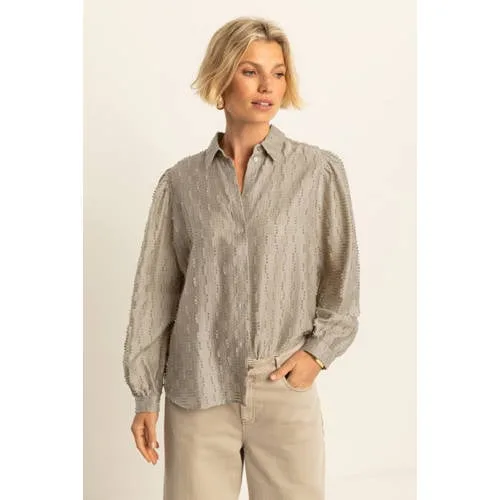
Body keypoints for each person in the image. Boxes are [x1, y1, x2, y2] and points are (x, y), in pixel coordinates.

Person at [122, 16, 361, 500]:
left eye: (278, 73)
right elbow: (157, 294)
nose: (267, 86)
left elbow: (343, 281)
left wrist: (316, 354)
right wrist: (146, 395)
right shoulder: (182, 183)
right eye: (250, 71)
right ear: (221, 77)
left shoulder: (318, 172)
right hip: (198, 389)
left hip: (283, 388)